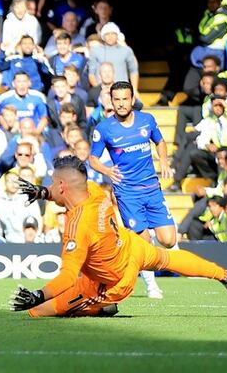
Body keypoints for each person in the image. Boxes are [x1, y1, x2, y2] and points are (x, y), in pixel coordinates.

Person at [9, 156, 227, 318]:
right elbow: (65, 190)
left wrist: (38, 296)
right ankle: (226, 275)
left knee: (38, 311)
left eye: (52, 183)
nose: (50, 186)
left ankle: (102, 307)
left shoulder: (78, 227)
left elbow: (68, 277)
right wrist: (43, 192)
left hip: (114, 281)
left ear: (62, 185)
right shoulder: (93, 189)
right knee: (169, 258)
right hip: (131, 245)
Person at [88, 81, 174, 300]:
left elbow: (160, 141)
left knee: (169, 240)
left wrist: (163, 160)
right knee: (143, 242)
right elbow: (92, 159)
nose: (121, 104)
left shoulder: (147, 120)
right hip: (127, 192)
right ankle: (152, 286)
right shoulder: (104, 129)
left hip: (152, 188)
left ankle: (159, 259)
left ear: (132, 99)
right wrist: (107, 170)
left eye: (125, 99)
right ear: (111, 101)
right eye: (116, 99)